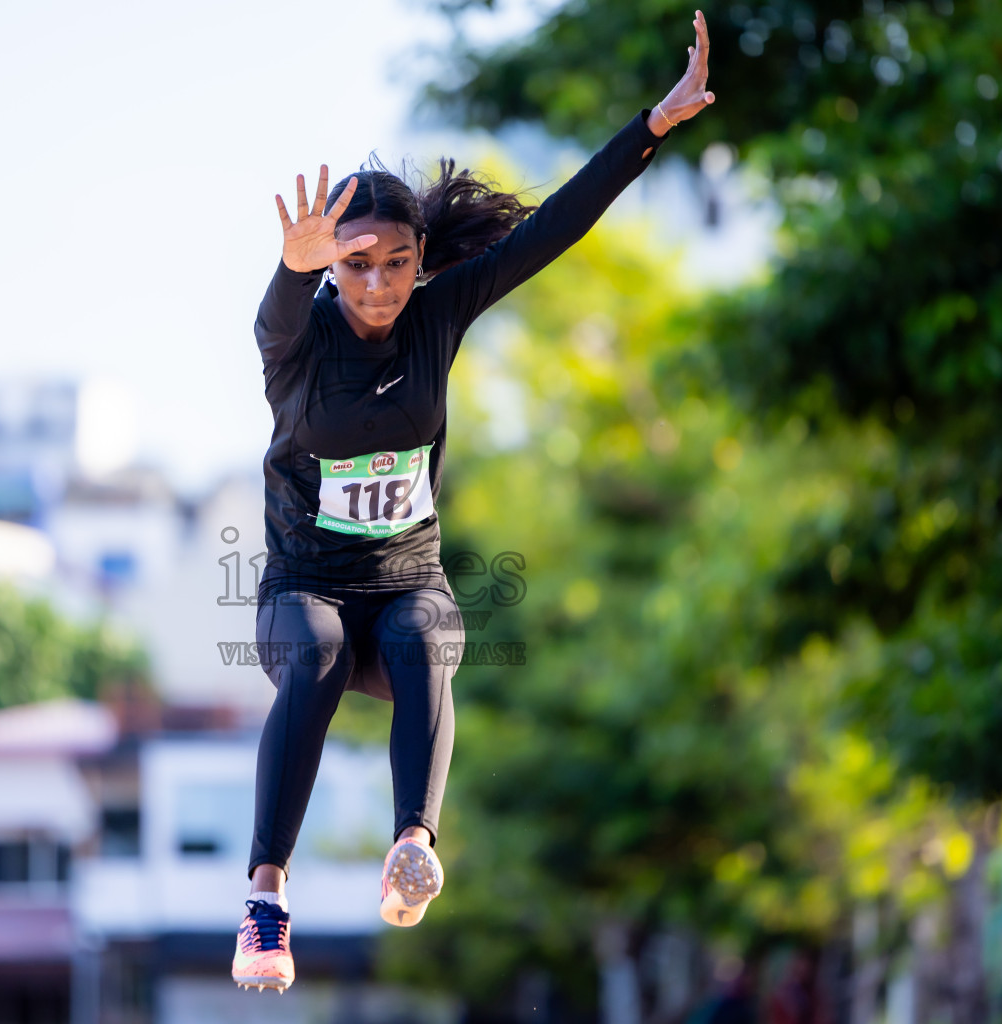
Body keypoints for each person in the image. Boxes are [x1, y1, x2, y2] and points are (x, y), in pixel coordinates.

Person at [231, 11, 718, 993]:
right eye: (354, 262)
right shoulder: (298, 337)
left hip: (407, 579)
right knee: (320, 652)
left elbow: (552, 229)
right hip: (306, 593)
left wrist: (652, 128)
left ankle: (415, 844)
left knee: (428, 634)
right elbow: (278, 309)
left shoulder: (438, 312)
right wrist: (292, 265)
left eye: (395, 263)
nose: (376, 283)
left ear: (421, 260)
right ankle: (265, 899)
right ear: (330, 262)